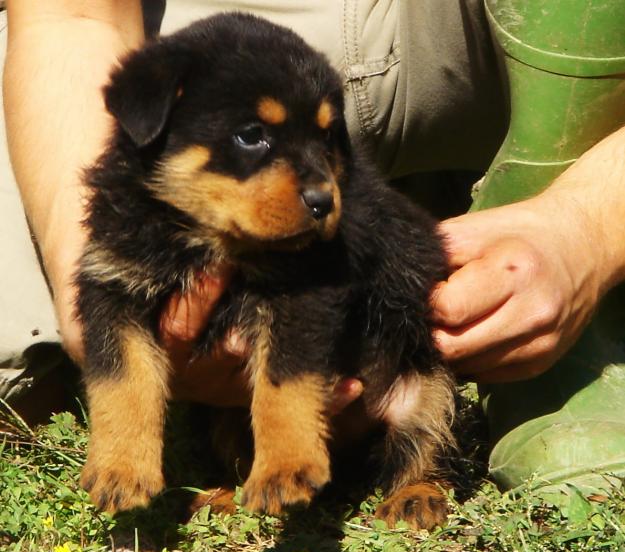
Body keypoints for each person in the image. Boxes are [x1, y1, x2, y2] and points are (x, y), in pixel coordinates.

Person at [3, 0, 625, 490]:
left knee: (370, 344)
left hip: (470, 30)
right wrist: (78, 286)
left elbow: (305, 300)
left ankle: (580, 331)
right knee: (24, 362)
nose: (320, 189)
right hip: (177, 31)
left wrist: (587, 229)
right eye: (252, 138)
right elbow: (70, 14)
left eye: (325, 152)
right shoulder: (175, 97)